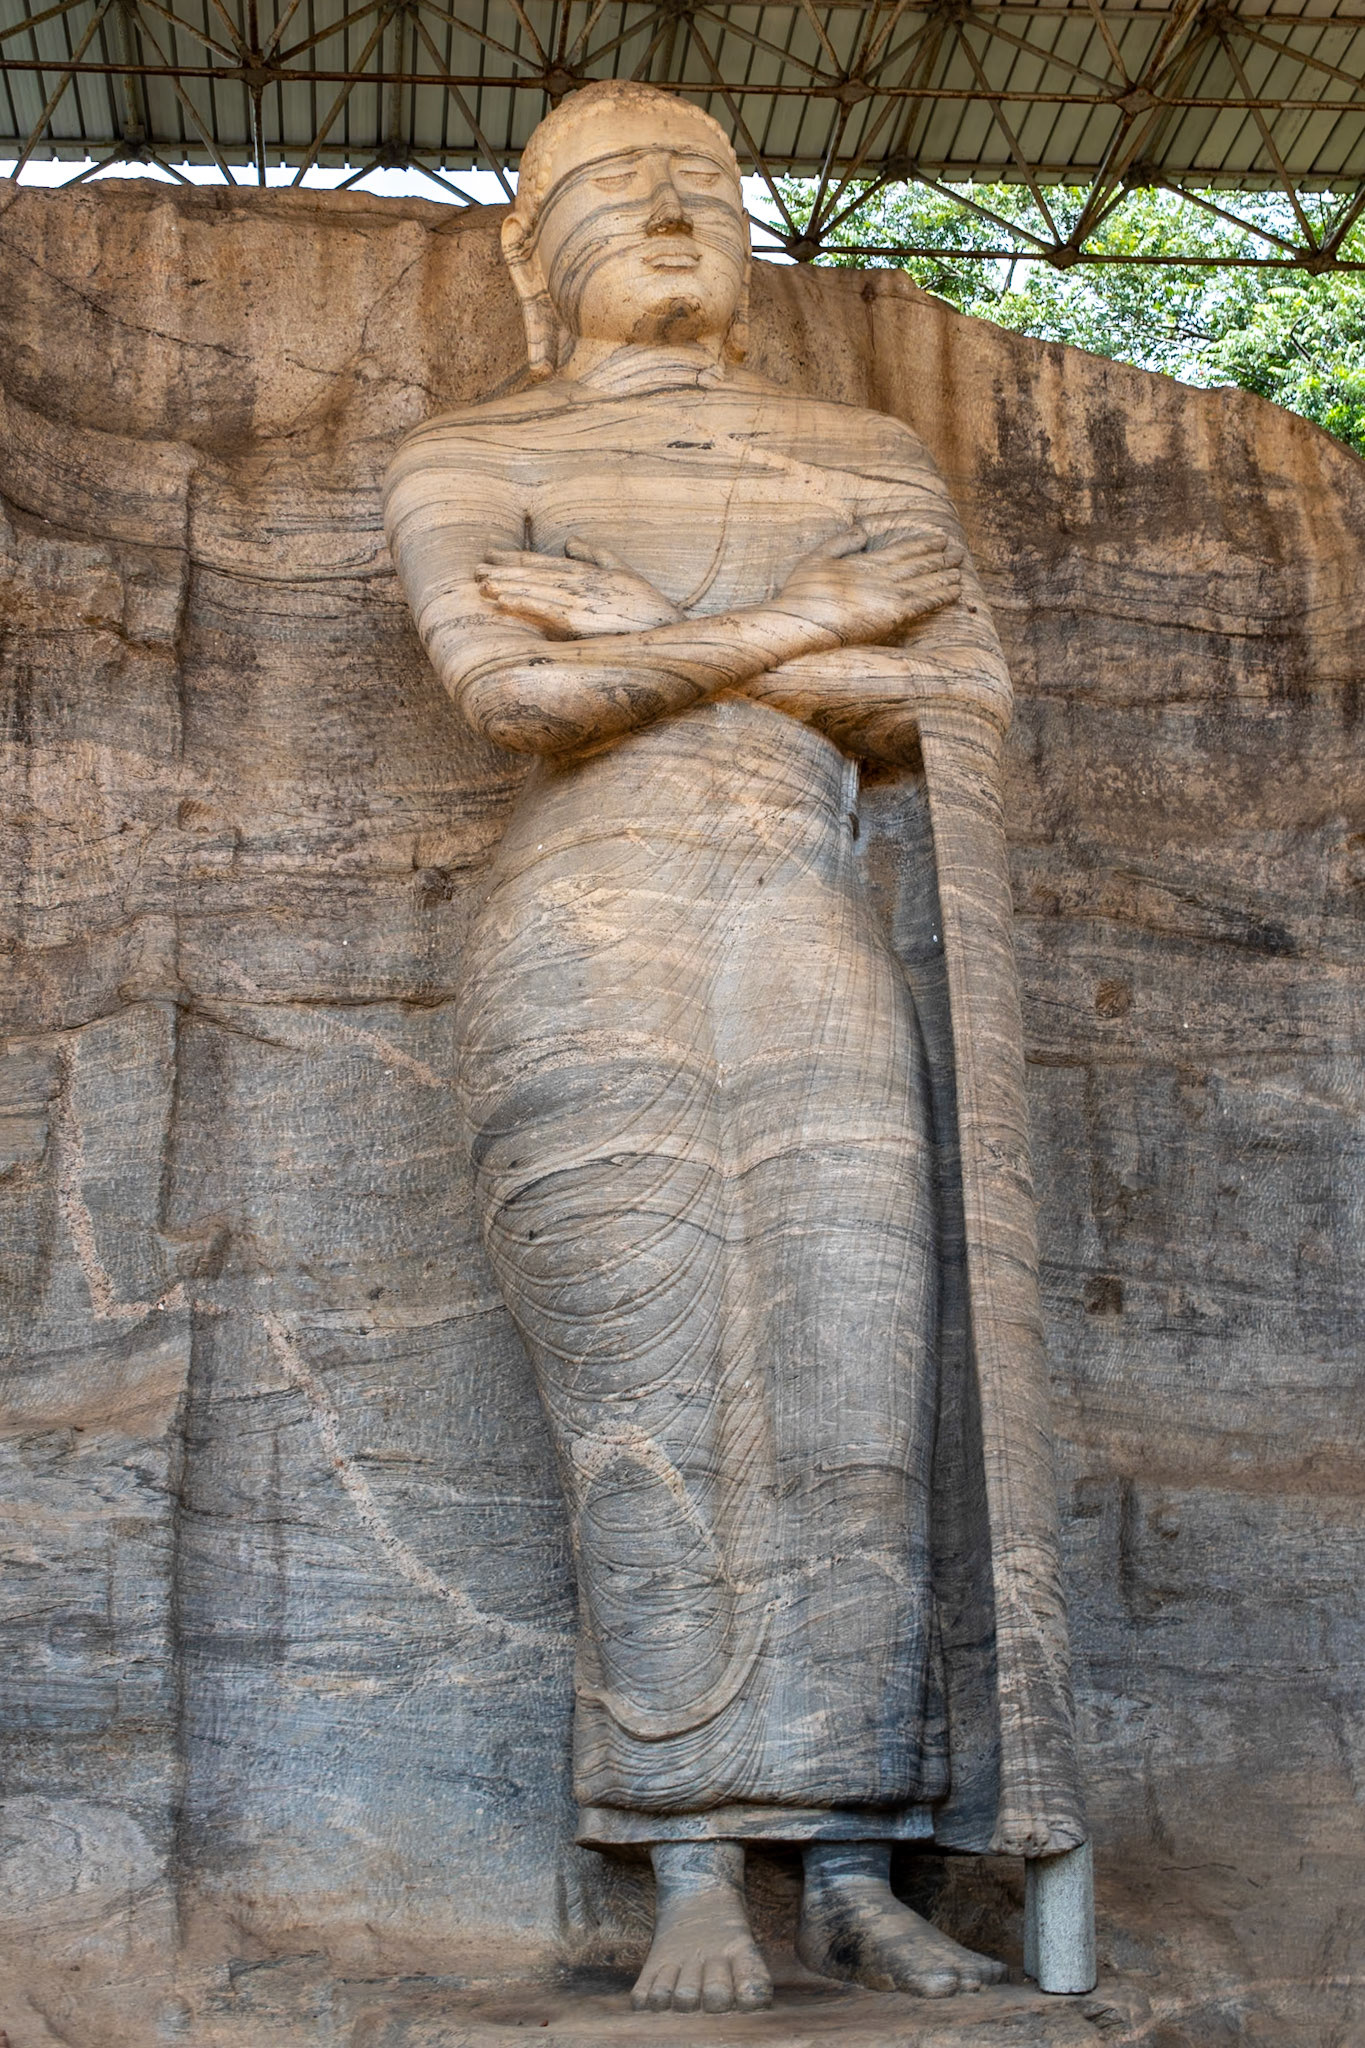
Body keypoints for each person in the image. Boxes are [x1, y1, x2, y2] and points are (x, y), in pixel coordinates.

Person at [385, 79, 1076, 2013]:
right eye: (619, 185)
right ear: (532, 253)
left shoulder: (857, 450)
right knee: (651, 1381)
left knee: (856, 1380)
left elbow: (952, 699)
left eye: (707, 181)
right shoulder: (472, 453)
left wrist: (666, 633)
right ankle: (692, 1858)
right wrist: (806, 624)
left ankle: (853, 1865)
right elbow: (514, 687)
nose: (676, 210)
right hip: (585, 936)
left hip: (802, 914)